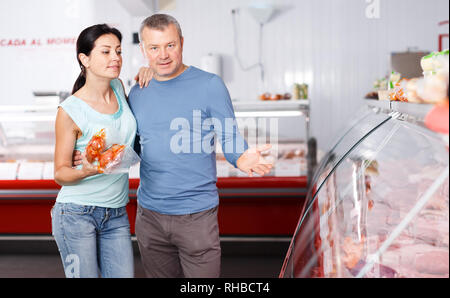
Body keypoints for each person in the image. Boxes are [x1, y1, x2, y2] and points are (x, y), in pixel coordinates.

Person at [128, 14, 273, 278]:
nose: (163, 55)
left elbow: (229, 136)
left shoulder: (210, 85)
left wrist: (241, 157)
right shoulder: (138, 91)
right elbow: (136, 146)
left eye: (170, 45)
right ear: (143, 49)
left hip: (196, 215)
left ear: (182, 42)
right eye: (154, 48)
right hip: (149, 215)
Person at [52, 24, 151, 278]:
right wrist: (87, 170)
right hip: (76, 214)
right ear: (84, 59)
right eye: (105, 52)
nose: (116, 58)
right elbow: (61, 173)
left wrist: (148, 72)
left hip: (116, 212)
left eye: (118, 51)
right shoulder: (70, 110)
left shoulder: (118, 87)